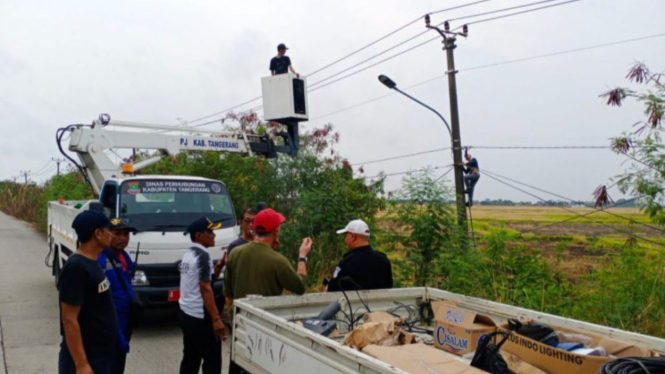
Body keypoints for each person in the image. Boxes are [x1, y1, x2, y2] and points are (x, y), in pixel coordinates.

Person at [59, 210, 117, 374]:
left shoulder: (92, 262)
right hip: (86, 359)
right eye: (108, 230)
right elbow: (69, 319)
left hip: (101, 355)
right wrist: (81, 364)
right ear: (98, 234)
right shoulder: (76, 267)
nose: (111, 234)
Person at [224, 208, 312, 302]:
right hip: (266, 315)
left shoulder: (235, 253)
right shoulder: (278, 261)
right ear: (276, 231)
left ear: (254, 228)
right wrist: (302, 256)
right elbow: (300, 287)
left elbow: (228, 297)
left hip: (239, 315)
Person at [178, 217, 227, 374]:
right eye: (210, 232)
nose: (214, 235)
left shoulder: (189, 253)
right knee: (212, 360)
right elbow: (205, 288)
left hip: (187, 314)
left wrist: (219, 265)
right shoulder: (203, 256)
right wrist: (216, 320)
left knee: (191, 359)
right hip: (200, 317)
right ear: (199, 235)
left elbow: (208, 280)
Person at [97, 218, 138, 374]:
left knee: (119, 365)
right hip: (110, 325)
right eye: (118, 234)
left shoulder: (124, 257)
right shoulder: (100, 260)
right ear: (107, 234)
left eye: (126, 234)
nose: (123, 238)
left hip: (124, 323)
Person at [326, 219, 393, 292]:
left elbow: (332, 289)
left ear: (352, 236)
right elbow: (389, 286)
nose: (345, 240)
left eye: (346, 236)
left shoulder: (347, 262)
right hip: (382, 303)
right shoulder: (384, 260)